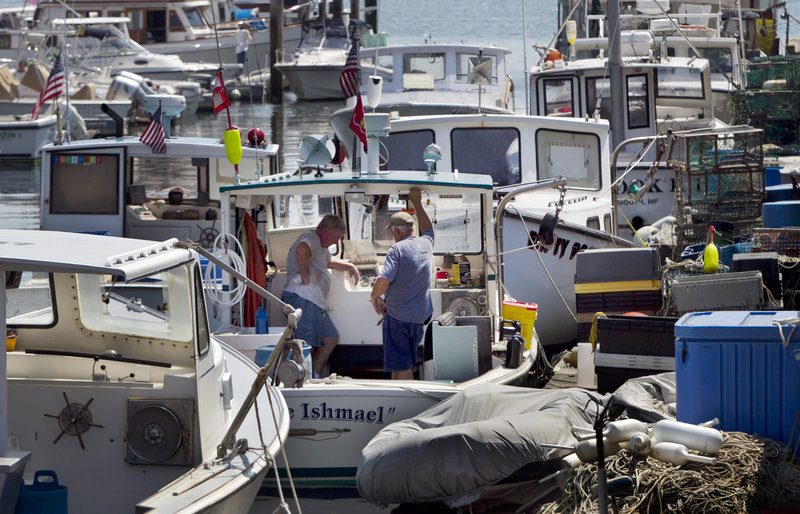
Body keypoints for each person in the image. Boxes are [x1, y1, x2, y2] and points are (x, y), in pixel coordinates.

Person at [282, 215, 360, 377]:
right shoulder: (311, 238)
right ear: (325, 231)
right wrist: (305, 276)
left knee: (330, 338)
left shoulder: (321, 246)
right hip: (303, 299)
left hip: (315, 302)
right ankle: (299, 379)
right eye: (336, 237)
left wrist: (349, 266)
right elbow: (301, 250)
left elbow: (327, 262)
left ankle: (314, 375)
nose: (336, 243)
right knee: (305, 344)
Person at [370, 187, 433, 380]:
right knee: (400, 367)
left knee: (403, 368)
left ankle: (409, 405)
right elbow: (428, 226)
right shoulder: (427, 243)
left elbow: (383, 280)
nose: (392, 235)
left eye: (392, 232)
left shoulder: (397, 250)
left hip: (398, 320)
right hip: (418, 319)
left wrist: (374, 297)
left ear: (397, 231)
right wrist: (418, 203)